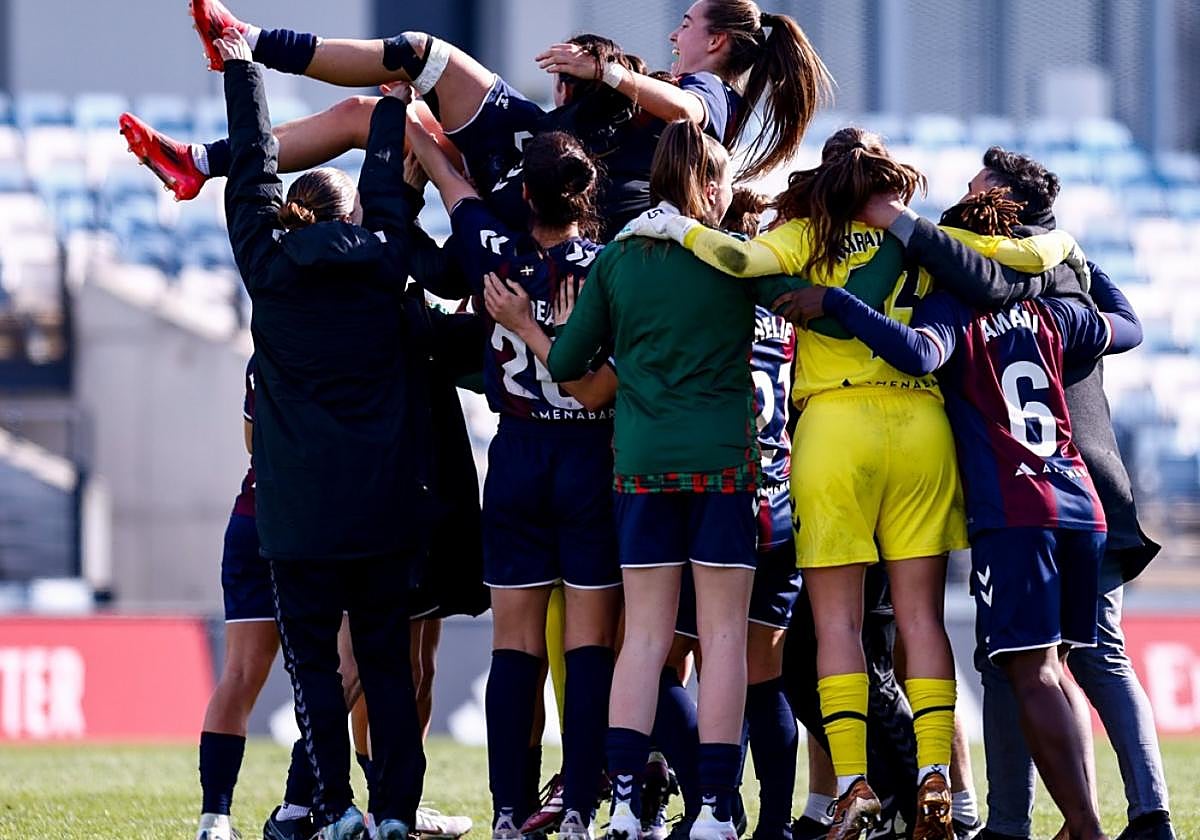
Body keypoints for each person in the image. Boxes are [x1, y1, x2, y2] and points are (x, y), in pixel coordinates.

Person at [617, 125, 1090, 840]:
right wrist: (1061, 243)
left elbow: (739, 259)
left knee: (836, 623)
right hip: (920, 430)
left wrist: (677, 228)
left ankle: (854, 785)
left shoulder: (803, 235)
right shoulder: (919, 235)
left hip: (834, 430)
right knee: (921, 621)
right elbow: (1019, 255)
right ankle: (935, 774)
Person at [541, 120, 867, 840]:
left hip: (641, 468)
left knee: (646, 638)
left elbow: (566, 363)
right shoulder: (734, 262)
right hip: (726, 469)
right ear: (713, 186)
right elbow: (805, 310)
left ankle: (625, 805)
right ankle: (718, 810)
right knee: (723, 639)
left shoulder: (618, 259)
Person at [792, 185, 1144, 840]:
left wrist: (834, 301)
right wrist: (1078, 260)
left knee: (1031, 672)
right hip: (1079, 507)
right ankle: (1077, 822)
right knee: (1051, 669)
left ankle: (1086, 829)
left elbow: (919, 354)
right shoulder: (1054, 306)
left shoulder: (956, 305)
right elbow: (1128, 326)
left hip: (1017, 509)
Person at [215, 25, 430, 840]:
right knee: (383, 663)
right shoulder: (385, 263)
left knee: (313, 668)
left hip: (299, 514)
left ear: (292, 219)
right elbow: (388, 186)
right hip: (381, 508)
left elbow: (252, 167)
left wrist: (242, 70)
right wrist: (393, 109)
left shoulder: (268, 271)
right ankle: (395, 816)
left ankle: (334, 807)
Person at [940, 148, 1172, 840]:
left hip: (1035, 491)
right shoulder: (1069, 283)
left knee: (1028, 658)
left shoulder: (994, 284)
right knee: (1071, 657)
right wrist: (1077, 253)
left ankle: (1025, 820)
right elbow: (1126, 326)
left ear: (1004, 202)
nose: (967, 193)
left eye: (980, 186)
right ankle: (1136, 811)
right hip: (1094, 491)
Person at [406, 117, 623, 840]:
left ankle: (507, 810)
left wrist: (414, 115)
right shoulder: (610, 266)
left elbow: (450, 179)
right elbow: (605, 382)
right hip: (591, 455)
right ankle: (582, 812)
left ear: (524, 195)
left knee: (516, 644)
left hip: (520, 454)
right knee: (589, 647)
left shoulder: (488, 250)